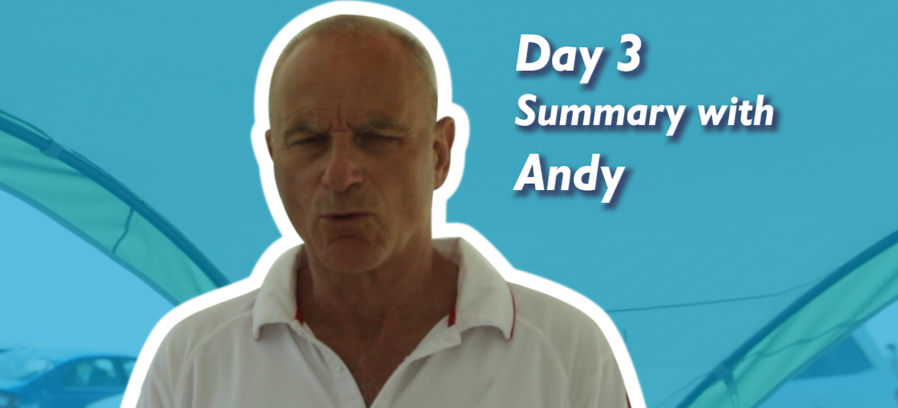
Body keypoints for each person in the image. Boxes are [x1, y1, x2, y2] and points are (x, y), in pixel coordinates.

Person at [136, 14, 628, 408]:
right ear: (272, 155)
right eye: (308, 140)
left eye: (377, 138)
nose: (339, 174)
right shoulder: (192, 362)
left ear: (439, 153)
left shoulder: (567, 353)